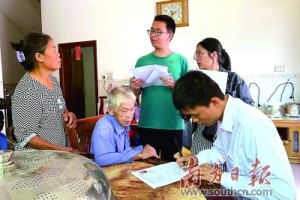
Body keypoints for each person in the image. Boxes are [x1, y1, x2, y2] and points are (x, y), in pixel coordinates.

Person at [173, 70, 296, 200]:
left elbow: (283, 194)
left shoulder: (253, 126)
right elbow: (220, 151)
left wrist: (219, 176)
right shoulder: (225, 116)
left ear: (214, 102)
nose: (195, 121)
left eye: (196, 115)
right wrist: (198, 159)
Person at [130, 15, 190, 161]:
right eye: (151, 31)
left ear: (170, 35)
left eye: (158, 31)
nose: (152, 35)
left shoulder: (180, 60)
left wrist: (176, 86)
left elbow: (189, 94)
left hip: (173, 124)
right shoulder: (142, 60)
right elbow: (136, 93)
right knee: (146, 167)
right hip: (147, 123)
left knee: (173, 167)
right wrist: (134, 88)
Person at [11, 32, 78, 153]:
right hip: (40, 163)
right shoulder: (27, 91)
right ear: (39, 57)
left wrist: (68, 114)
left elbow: (60, 107)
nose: (58, 54)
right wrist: (63, 150)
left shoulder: (52, 80)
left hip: (59, 157)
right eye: (53, 50)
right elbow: (26, 137)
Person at [191, 37, 254, 156]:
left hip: (228, 133)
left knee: (224, 170)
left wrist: (227, 103)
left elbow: (249, 107)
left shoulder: (233, 79)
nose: (196, 58)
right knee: (200, 166)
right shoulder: (196, 79)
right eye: (196, 54)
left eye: (200, 53)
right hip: (202, 133)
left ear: (213, 55)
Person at [90, 86, 158, 167]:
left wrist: (142, 149)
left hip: (118, 166)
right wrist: (137, 155)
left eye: (132, 109)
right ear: (111, 110)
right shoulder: (104, 128)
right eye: (124, 110)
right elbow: (102, 160)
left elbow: (124, 151)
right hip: (104, 172)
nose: (129, 116)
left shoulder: (122, 122)